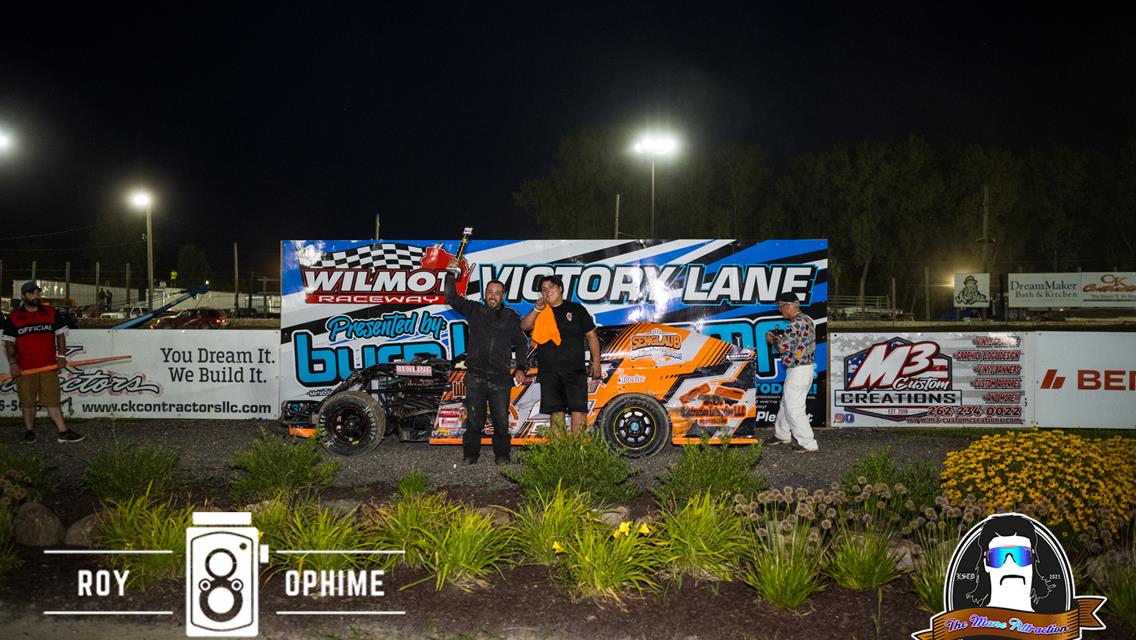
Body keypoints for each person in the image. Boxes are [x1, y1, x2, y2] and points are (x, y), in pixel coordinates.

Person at [445, 261, 529, 464]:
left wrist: (521, 367)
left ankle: (502, 455)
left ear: (503, 296)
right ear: (484, 293)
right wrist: (450, 274)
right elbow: (450, 297)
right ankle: (470, 455)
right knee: (474, 419)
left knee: (501, 420)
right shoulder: (473, 309)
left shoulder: (510, 316)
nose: (493, 295)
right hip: (475, 375)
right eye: (490, 291)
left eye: (497, 292)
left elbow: (521, 343)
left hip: (500, 378)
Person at [520, 275, 601, 436]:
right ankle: (560, 453)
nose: (547, 291)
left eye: (551, 287)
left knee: (578, 410)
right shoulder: (541, 312)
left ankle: (578, 450)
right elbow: (524, 326)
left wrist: (596, 361)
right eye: (544, 289)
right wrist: (536, 309)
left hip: (575, 370)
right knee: (556, 412)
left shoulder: (577, 309)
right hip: (550, 371)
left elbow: (592, 335)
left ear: (560, 288)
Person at [3, 282, 84, 444]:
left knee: (52, 401)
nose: (36, 296)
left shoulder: (51, 312)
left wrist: (61, 356)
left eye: (38, 293)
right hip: (25, 369)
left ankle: (63, 432)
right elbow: (9, 344)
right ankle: (29, 431)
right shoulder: (13, 317)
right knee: (27, 402)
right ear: (24, 296)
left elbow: (60, 335)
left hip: (48, 366)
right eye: (32, 293)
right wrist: (13, 364)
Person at [764, 292, 817, 451]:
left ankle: (808, 443)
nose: (780, 310)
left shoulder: (795, 324)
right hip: (804, 369)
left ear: (788, 305)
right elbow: (795, 344)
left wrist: (772, 340)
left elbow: (781, 348)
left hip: (798, 371)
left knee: (794, 408)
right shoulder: (807, 319)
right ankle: (782, 434)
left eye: (781, 306)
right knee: (786, 403)